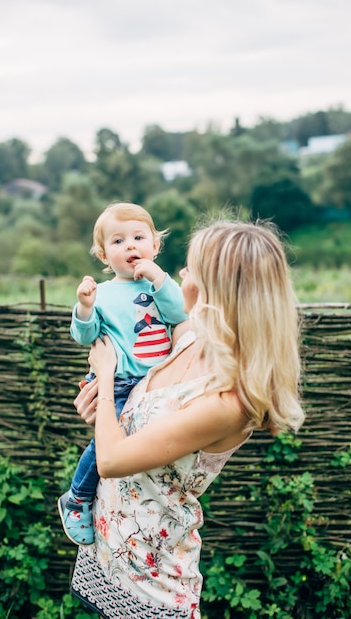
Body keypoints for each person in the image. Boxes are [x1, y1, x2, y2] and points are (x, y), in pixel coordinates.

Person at [69, 219, 305, 619]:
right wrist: (101, 409)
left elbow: (110, 461)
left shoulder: (228, 401)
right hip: (109, 552)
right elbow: (127, 423)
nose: (180, 273)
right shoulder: (188, 338)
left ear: (219, 287)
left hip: (153, 582)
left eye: (191, 269)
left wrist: (105, 378)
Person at [58, 202, 188, 545]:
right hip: (116, 382)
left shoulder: (161, 286)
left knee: (145, 446)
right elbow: (85, 337)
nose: (130, 246)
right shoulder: (103, 294)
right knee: (106, 442)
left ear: (155, 247)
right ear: (103, 256)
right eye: (118, 241)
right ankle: (78, 497)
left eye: (138, 237)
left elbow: (179, 313)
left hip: (155, 384)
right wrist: (85, 308)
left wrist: (158, 276)